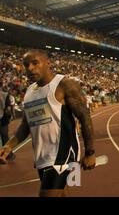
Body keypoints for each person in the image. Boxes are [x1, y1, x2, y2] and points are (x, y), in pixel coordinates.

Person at [0, 50, 96, 197]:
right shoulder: (30, 91)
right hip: (42, 157)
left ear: (48, 63)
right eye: (26, 65)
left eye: (35, 63)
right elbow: (26, 125)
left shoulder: (64, 85)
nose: (30, 68)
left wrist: (90, 152)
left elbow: (84, 117)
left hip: (63, 155)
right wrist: (8, 146)